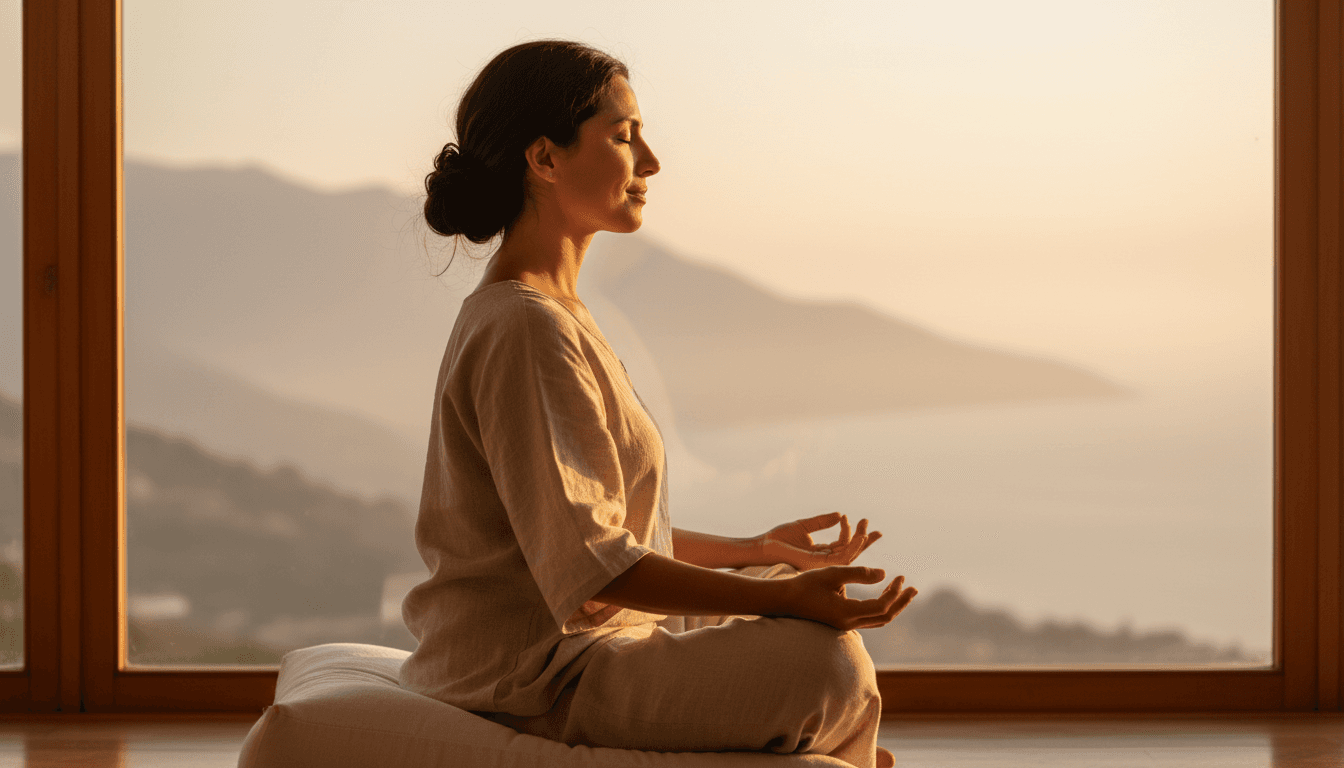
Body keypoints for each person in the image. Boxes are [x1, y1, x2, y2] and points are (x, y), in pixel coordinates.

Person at [399, 39, 918, 768]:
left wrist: (759, 555)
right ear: (544, 159)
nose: (651, 162)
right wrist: (789, 601)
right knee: (825, 666)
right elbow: (596, 573)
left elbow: (604, 534)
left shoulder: (552, 313)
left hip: (579, 649)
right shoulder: (526, 328)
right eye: (622, 136)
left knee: (784, 597)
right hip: (536, 678)